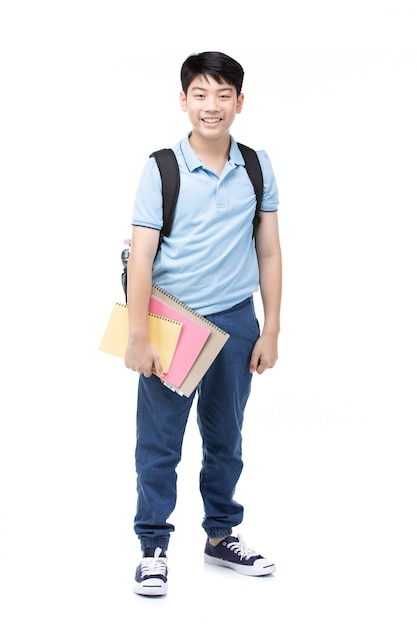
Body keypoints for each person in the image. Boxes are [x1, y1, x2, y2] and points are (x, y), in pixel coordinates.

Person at [124, 51, 282, 596]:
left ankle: (221, 537)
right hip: (173, 320)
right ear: (184, 100)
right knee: (161, 442)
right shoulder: (162, 167)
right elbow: (141, 256)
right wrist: (138, 334)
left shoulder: (256, 166)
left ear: (239, 102)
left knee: (225, 439)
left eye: (223, 96)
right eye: (200, 94)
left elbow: (269, 253)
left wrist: (271, 329)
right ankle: (153, 546)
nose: (211, 106)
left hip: (238, 321)